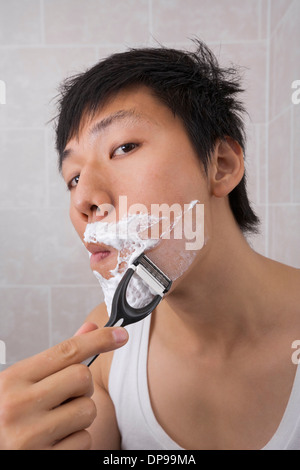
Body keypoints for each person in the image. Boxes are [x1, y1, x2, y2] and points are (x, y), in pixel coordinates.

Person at [1, 40, 299, 450]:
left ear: (221, 165)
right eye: (72, 177)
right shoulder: (109, 342)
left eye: (123, 148)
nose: (83, 199)